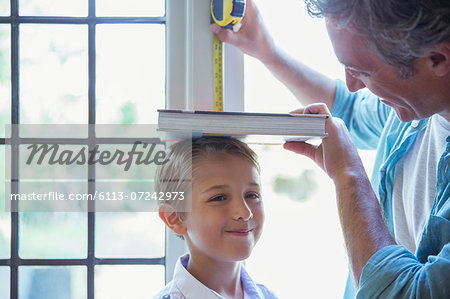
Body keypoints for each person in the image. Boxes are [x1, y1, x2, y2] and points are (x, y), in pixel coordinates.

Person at [211, 0, 450, 298]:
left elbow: (404, 294)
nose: (353, 84)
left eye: (360, 70)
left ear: (438, 59)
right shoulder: (416, 105)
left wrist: (349, 175)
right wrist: (266, 51)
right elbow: (347, 111)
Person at [153, 137, 278, 299]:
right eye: (219, 198)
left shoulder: (268, 296)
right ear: (174, 218)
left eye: (251, 195)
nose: (245, 213)